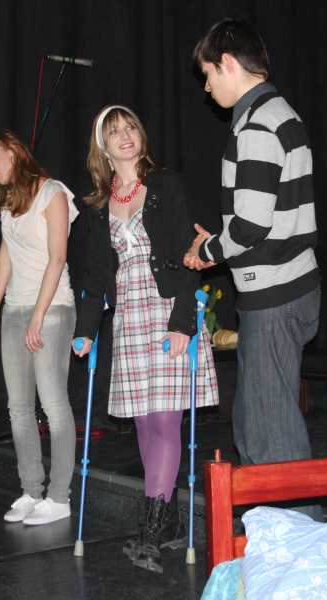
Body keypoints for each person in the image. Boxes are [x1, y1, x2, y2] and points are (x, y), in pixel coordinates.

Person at [73, 105, 219, 573]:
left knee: (164, 421)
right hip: (129, 317)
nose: (125, 136)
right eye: (114, 131)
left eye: (131, 127)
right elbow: (95, 275)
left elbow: (185, 255)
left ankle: (150, 532)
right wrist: (85, 330)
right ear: (103, 147)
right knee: (142, 423)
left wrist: (182, 323)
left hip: (166, 310)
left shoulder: (165, 185)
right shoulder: (97, 206)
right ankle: (170, 522)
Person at [186, 19, 322, 514]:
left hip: (275, 293)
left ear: (227, 64)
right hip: (288, 286)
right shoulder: (278, 113)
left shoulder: (258, 124)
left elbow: (249, 226)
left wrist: (206, 251)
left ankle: (298, 537)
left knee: (270, 431)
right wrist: (220, 242)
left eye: (208, 75)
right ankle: (279, 528)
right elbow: (262, 217)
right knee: (255, 420)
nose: (207, 88)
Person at [0, 130, 78, 526]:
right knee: (18, 407)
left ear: (13, 152)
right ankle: (31, 490)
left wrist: (38, 315)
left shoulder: (53, 193)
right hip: (15, 309)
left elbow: (58, 258)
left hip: (51, 310)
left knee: (53, 405)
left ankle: (59, 497)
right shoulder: (8, 200)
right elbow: (7, 250)